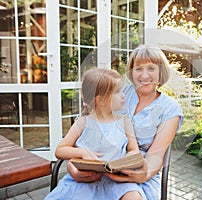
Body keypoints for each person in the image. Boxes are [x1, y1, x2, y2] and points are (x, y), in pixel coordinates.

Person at [67, 45, 184, 199]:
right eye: (138, 69)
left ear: (161, 71)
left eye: (151, 68)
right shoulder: (117, 92)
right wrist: (72, 166)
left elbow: (155, 157)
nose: (144, 75)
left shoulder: (170, 108)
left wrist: (139, 175)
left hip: (140, 171)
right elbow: (87, 132)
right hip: (99, 165)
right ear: (131, 71)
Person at [45, 68, 146, 200]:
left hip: (116, 181)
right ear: (100, 100)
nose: (123, 96)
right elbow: (60, 150)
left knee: (134, 197)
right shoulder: (83, 122)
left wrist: (123, 162)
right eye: (117, 92)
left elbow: (134, 150)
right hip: (85, 181)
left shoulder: (125, 122)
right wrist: (82, 152)